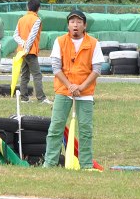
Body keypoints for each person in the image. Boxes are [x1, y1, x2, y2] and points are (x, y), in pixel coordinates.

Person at [42, 10, 104, 169]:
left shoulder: (94, 43)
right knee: (56, 127)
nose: (75, 25)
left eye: (79, 22)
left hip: (85, 93)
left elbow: (97, 70)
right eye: (72, 22)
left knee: (85, 130)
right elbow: (56, 68)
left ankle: (86, 165)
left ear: (85, 25)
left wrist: (81, 87)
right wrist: (69, 85)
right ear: (68, 25)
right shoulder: (60, 41)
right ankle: (50, 163)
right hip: (63, 90)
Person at [13, 0, 52, 104]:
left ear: (28, 7)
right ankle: (41, 98)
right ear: (38, 8)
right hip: (30, 51)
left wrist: (23, 44)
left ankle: (24, 98)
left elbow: (15, 35)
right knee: (37, 75)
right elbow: (32, 36)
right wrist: (27, 47)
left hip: (21, 52)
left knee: (24, 75)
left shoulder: (21, 19)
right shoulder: (37, 20)